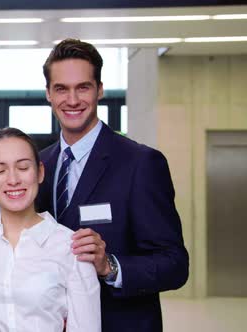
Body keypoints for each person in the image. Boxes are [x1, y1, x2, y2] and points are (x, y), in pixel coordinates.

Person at [36, 38, 189, 332]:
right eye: (61, 89)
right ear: (48, 94)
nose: (72, 99)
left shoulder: (140, 163)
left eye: (83, 87)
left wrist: (111, 267)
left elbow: (175, 264)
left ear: (100, 90)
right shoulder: (41, 165)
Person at [0, 127, 101, 332]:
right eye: (0, 170)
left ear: (40, 172)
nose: (13, 179)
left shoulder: (72, 246)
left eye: (23, 168)